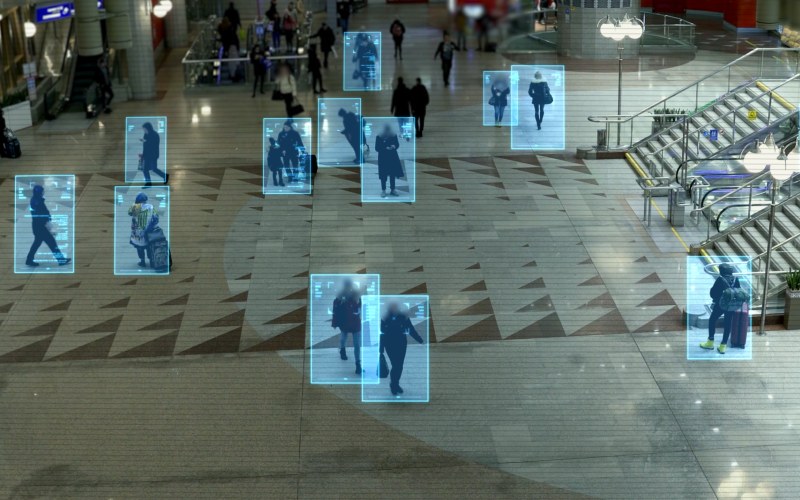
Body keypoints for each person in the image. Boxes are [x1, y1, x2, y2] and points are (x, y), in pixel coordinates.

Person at [380, 301, 424, 395]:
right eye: (392, 306)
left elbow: (411, 329)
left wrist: (419, 340)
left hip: (401, 345)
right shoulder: (385, 318)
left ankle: (395, 384)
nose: (394, 308)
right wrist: (381, 349)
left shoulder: (403, 317)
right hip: (390, 345)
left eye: (396, 306)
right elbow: (381, 334)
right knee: (396, 365)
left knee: (399, 366)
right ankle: (393, 384)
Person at [24, 185, 71, 267]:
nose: (43, 193)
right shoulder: (38, 202)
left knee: (37, 243)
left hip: (37, 226)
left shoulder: (35, 200)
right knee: (52, 243)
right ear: (39, 193)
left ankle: (29, 259)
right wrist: (47, 220)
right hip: (41, 227)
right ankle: (61, 260)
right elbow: (42, 214)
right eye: (42, 191)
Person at [700, 263, 741, 354]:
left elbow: (713, 294)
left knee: (712, 320)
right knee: (728, 323)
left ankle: (710, 342)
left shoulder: (720, 279)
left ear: (721, 271)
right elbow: (739, 291)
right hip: (731, 306)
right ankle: (723, 346)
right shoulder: (735, 279)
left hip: (720, 305)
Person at [331, 279, 363, 374]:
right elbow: (336, 310)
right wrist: (335, 322)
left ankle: (358, 364)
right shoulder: (340, 297)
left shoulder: (355, 295)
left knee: (357, 344)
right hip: (345, 322)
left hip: (355, 323)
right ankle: (342, 350)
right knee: (343, 338)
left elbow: (359, 308)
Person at [128, 192, 159, 269]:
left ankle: (142, 262)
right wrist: (150, 227)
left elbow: (129, 213)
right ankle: (151, 261)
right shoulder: (151, 207)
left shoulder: (135, 206)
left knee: (139, 247)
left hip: (137, 234)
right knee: (149, 247)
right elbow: (156, 219)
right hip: (149, 233)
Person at [375, 124, 404, 198]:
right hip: (383, 158)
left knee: (392, 174)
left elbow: (397, 144)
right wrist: (385, 148)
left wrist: (394, 146)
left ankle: (393, 189)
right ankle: (383, 190)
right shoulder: (379, 137)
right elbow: (377, 148)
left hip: (392, 157)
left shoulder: (393, 135)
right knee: (383, 175)